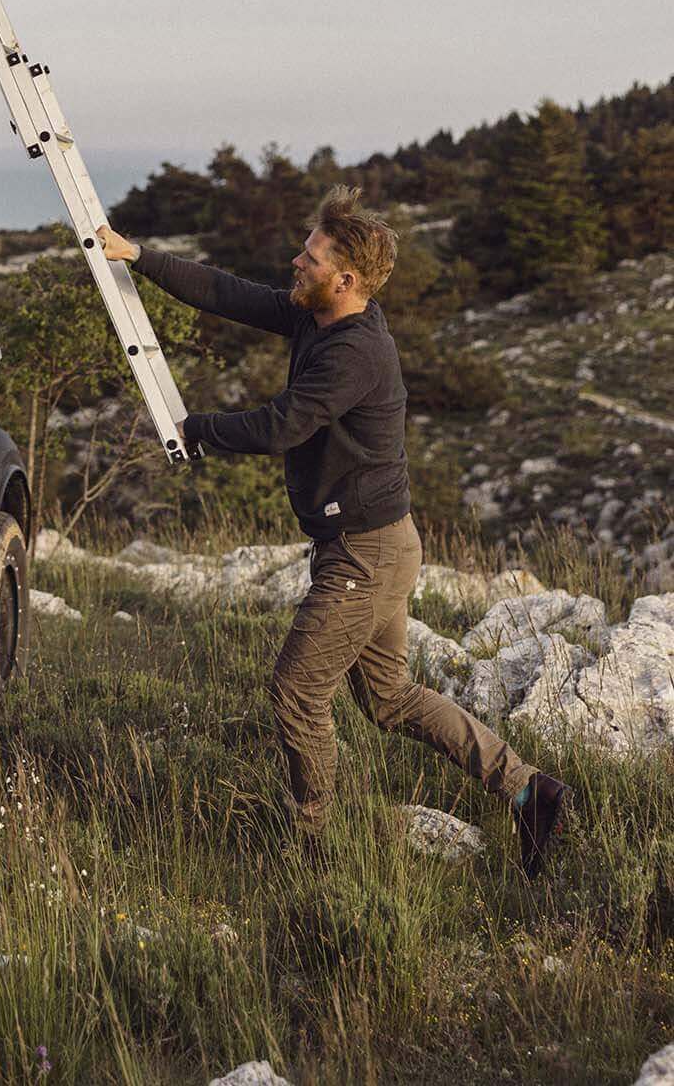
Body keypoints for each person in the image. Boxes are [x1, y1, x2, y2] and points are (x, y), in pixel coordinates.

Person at [98, 187, 569, 875]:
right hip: (372, 544)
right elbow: (230, 293)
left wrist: (196, 430)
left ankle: (318, 850)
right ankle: (530, 790)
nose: (296, 261)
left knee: (295, 691)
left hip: (367, 553)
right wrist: (136, 255)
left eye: (310, 256)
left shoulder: (355, 353)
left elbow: (282, 424)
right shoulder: (316, 316)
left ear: (343, 279)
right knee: (388, 699)